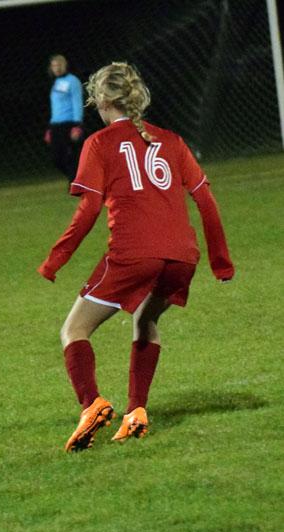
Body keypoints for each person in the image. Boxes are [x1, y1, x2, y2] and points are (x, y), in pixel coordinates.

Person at [37, 62, 235, 452]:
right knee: (145, 321)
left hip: (134, 254)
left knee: (73, 330)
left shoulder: (99, 143)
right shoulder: (172, 141)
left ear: (102, 99)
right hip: (182, 256)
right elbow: (206, 200)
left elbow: (89, 210)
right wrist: (220, 262)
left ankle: (91, 404)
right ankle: (136, 413)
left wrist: (55, 260)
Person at [44, 54, 84, 182]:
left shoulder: (73, 81)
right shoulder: (56, 82)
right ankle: (76, 179)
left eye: (59, 65)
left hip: (69, 124)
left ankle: (76, 182)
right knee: (56, 158)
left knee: (72, 155)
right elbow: (55, 107)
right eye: (54, 66)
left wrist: (77, 125)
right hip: (56, 125)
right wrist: (50, 128)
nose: (56, 68)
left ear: (65, 65)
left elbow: (77, 103)